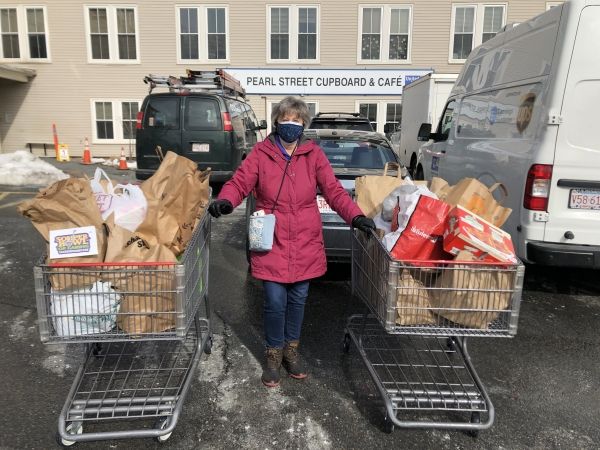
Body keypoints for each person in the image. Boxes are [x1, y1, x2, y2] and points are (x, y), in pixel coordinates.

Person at [208, 96, 375, 388]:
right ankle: (273, 355)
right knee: (274, 301)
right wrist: (225, 200)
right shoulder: (261, 153)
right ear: (276, 121)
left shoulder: (314, 155)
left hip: (305, 241)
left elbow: (334, 192)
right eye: (286, 119)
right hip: (271, 239)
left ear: (304, 124)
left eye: (297, 120)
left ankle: (291, 352)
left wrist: (356, 217)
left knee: (297, 301)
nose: (291, 125)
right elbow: (240, 182)